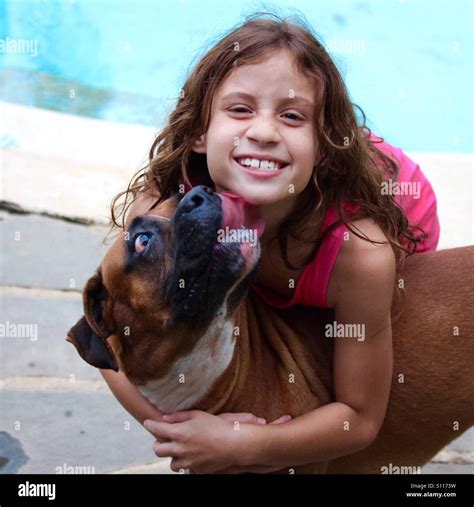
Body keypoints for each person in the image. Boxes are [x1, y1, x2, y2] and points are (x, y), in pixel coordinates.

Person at [102, 14, 440, 474]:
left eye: (291, 115)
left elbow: (360, 419)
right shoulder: (171, 208)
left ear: (322, 146)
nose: (263, 131)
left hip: (392, 203)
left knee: (353, 336)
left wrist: (249, 446)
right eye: (240, 109)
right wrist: (180, 431)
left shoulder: (361, 255)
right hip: (296, 195)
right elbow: (103, 338)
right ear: (199, 133)